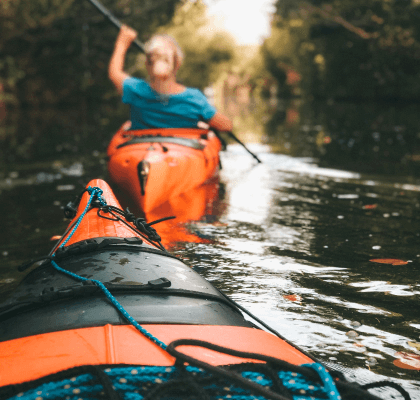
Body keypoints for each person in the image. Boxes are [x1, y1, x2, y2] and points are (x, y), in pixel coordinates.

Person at [108, 25, 233, 132]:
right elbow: (226, 126)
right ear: (177, 64)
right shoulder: (194, 99)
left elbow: (114, 73)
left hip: (143, 154)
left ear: (147, 64)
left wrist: (122, 43)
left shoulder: (136, 90)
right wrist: (203, 124)